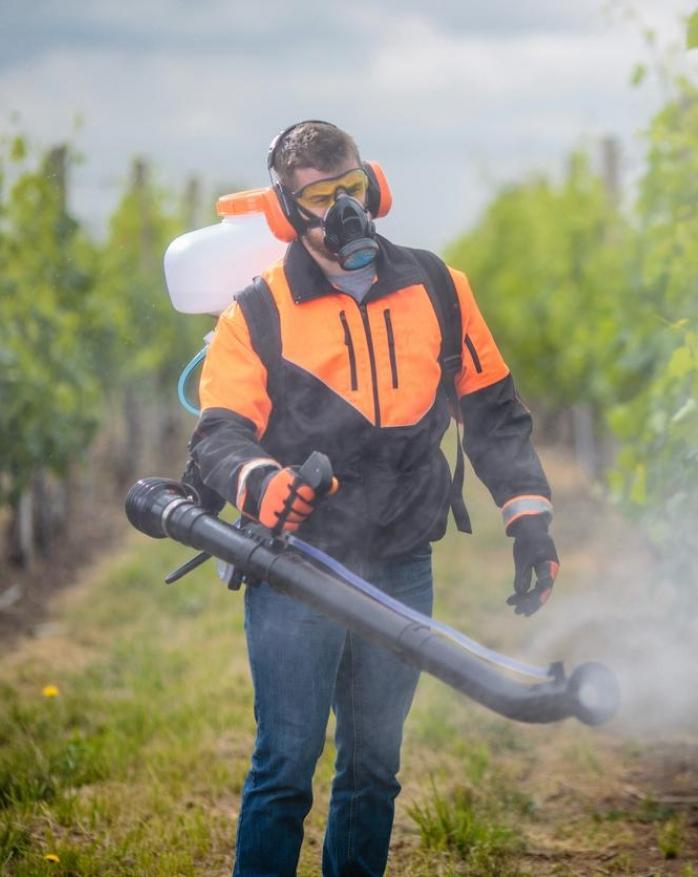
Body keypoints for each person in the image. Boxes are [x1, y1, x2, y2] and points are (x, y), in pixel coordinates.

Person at [187, 120, 559, 877]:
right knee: (286, 764)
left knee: (374, 765)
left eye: (350, 188)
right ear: (289, 212)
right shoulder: (255, 312)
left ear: (374, 185)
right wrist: (263, 484)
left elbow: (492, 411)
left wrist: (529, 517)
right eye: (320, 198)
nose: (342, 209)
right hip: (296, 566)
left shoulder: (438, 289)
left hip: (400, 560)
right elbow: (218, 437)